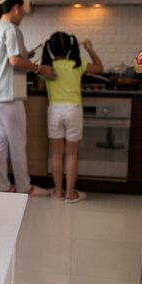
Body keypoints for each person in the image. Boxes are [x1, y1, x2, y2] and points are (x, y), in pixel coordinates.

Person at [0, 0, 55, 196]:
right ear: (16, 8)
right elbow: (14, 61)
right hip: (9, 94)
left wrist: (28, 57)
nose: (22, 14)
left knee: (0, 142)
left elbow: (11, 59)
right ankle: (25, 187)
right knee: (17, 142)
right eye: (22, 10)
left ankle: (3, 186)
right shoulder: (11, 29)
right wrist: (40, 68)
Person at [40, 31, 103, 202]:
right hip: (73, 110)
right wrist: (90, 49)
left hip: (54, 110)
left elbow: (40, 87)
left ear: (50, 48)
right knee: (72, 154)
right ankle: (70, 194)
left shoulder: (46, 67)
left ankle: (58, 192)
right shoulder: (78, 64)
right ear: (70, 46)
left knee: (56, 154)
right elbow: (100, 67)